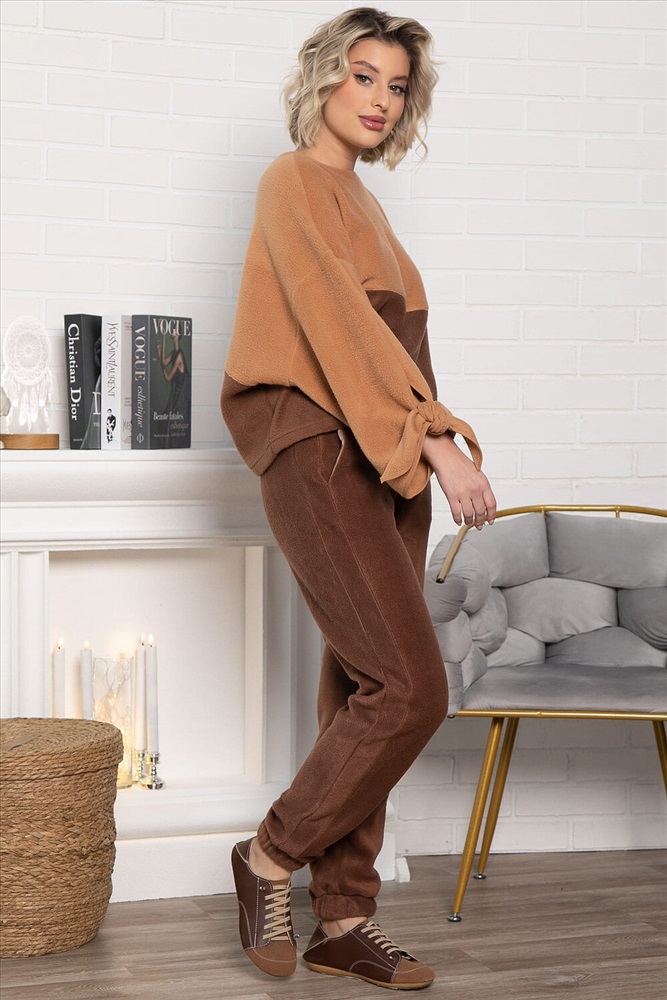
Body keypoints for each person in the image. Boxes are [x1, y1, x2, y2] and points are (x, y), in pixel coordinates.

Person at [221, 6, 496, 991]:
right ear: (324, 78)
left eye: (396, 86)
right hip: (322, 447)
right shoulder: (292, 180)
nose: (380, 99)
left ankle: (342, 918)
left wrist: (418, 449)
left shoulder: (363, 204)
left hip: (384, 460)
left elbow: (390, 346)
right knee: (410, 687)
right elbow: (340, 328)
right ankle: (267, 855)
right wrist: (435, 442)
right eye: (363, 75)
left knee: (362, 686)